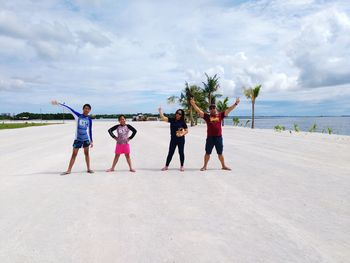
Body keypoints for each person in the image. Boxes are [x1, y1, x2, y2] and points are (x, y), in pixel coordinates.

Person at [190, 97, 240, 171]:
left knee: (220, 153)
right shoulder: (207, 116)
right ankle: (204, 166)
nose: (212, 109)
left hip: (218, 137)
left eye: (213, 107)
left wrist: (235, 104)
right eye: (211, 108)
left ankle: (223, 166)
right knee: (207, 153)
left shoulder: (220, 115)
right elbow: (198, 110)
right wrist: (193, 104)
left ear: (216, 108)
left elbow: (229, 110)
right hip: (210, 138)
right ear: (209, 110)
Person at [51, 100, 94, 175]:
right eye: (85, 108)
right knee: (74, 154)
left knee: (86, 154)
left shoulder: (89, 120)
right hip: (78, 139)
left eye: (88, 108)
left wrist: (91, 140)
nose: (86, 110)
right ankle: (69, 170)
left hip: (86, 139)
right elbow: (69, 109)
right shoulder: (77, 115)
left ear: (89, 110)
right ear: (83, 109)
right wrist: (58, 103)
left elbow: (90, 130)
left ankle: (88, 169)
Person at [158, 107, 188, 171]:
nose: (178, 114)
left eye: (180, 114)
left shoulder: (183, 122)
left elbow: (186, 130)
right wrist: (160, 111)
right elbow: (163, 118)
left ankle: (182, 166)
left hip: (181, 139)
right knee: (171, 152)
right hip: (173, 139)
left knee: (181, 152)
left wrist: (182, 134)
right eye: (177, 113)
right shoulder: (172, 120)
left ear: (181, 115)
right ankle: (166, 166)